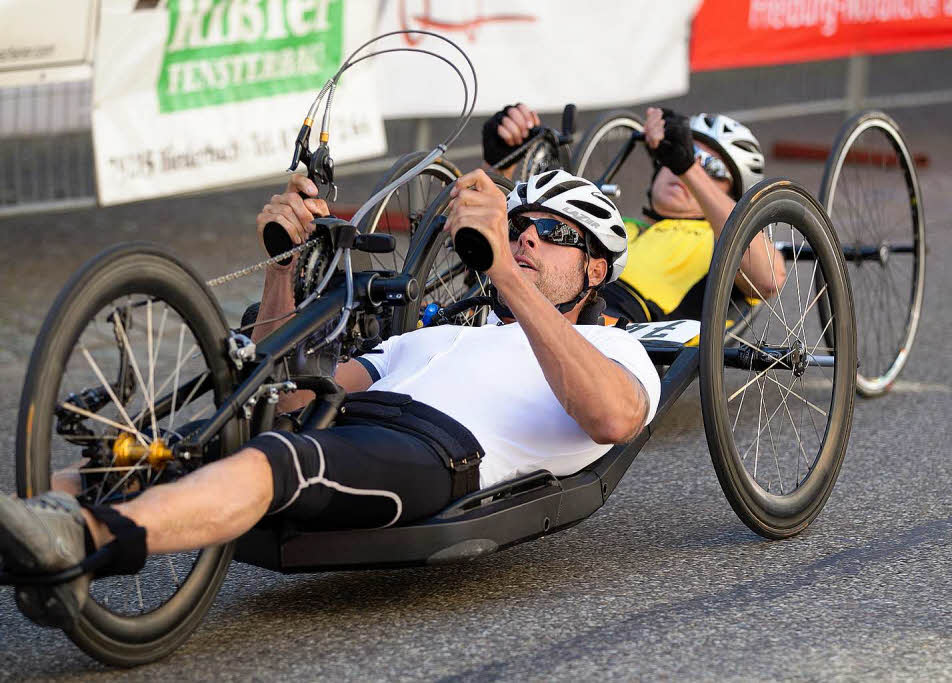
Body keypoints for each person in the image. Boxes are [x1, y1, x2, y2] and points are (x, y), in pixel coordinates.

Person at [0, 169, 661, 632]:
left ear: (596, 269)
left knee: (287, 458)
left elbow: (610, 416)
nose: (527, 238)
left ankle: (83, 538)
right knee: (181, 446)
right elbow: (282, 394)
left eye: (554, 232)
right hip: (347, 422)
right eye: (518, 226)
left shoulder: (618, 351)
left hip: (434, 450)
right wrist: (281, 265)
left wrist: (505, 276)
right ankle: (29, 516)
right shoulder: (430, 338)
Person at [482, 104, 788, 323]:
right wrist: (505, 163)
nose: (689, 166)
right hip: (525, 291)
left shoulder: (723, 243)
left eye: (714, 168)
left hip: (612, 318)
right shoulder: (622, 226)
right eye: (682, 151)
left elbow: (768, 280)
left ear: (732, 194)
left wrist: (688, 168)